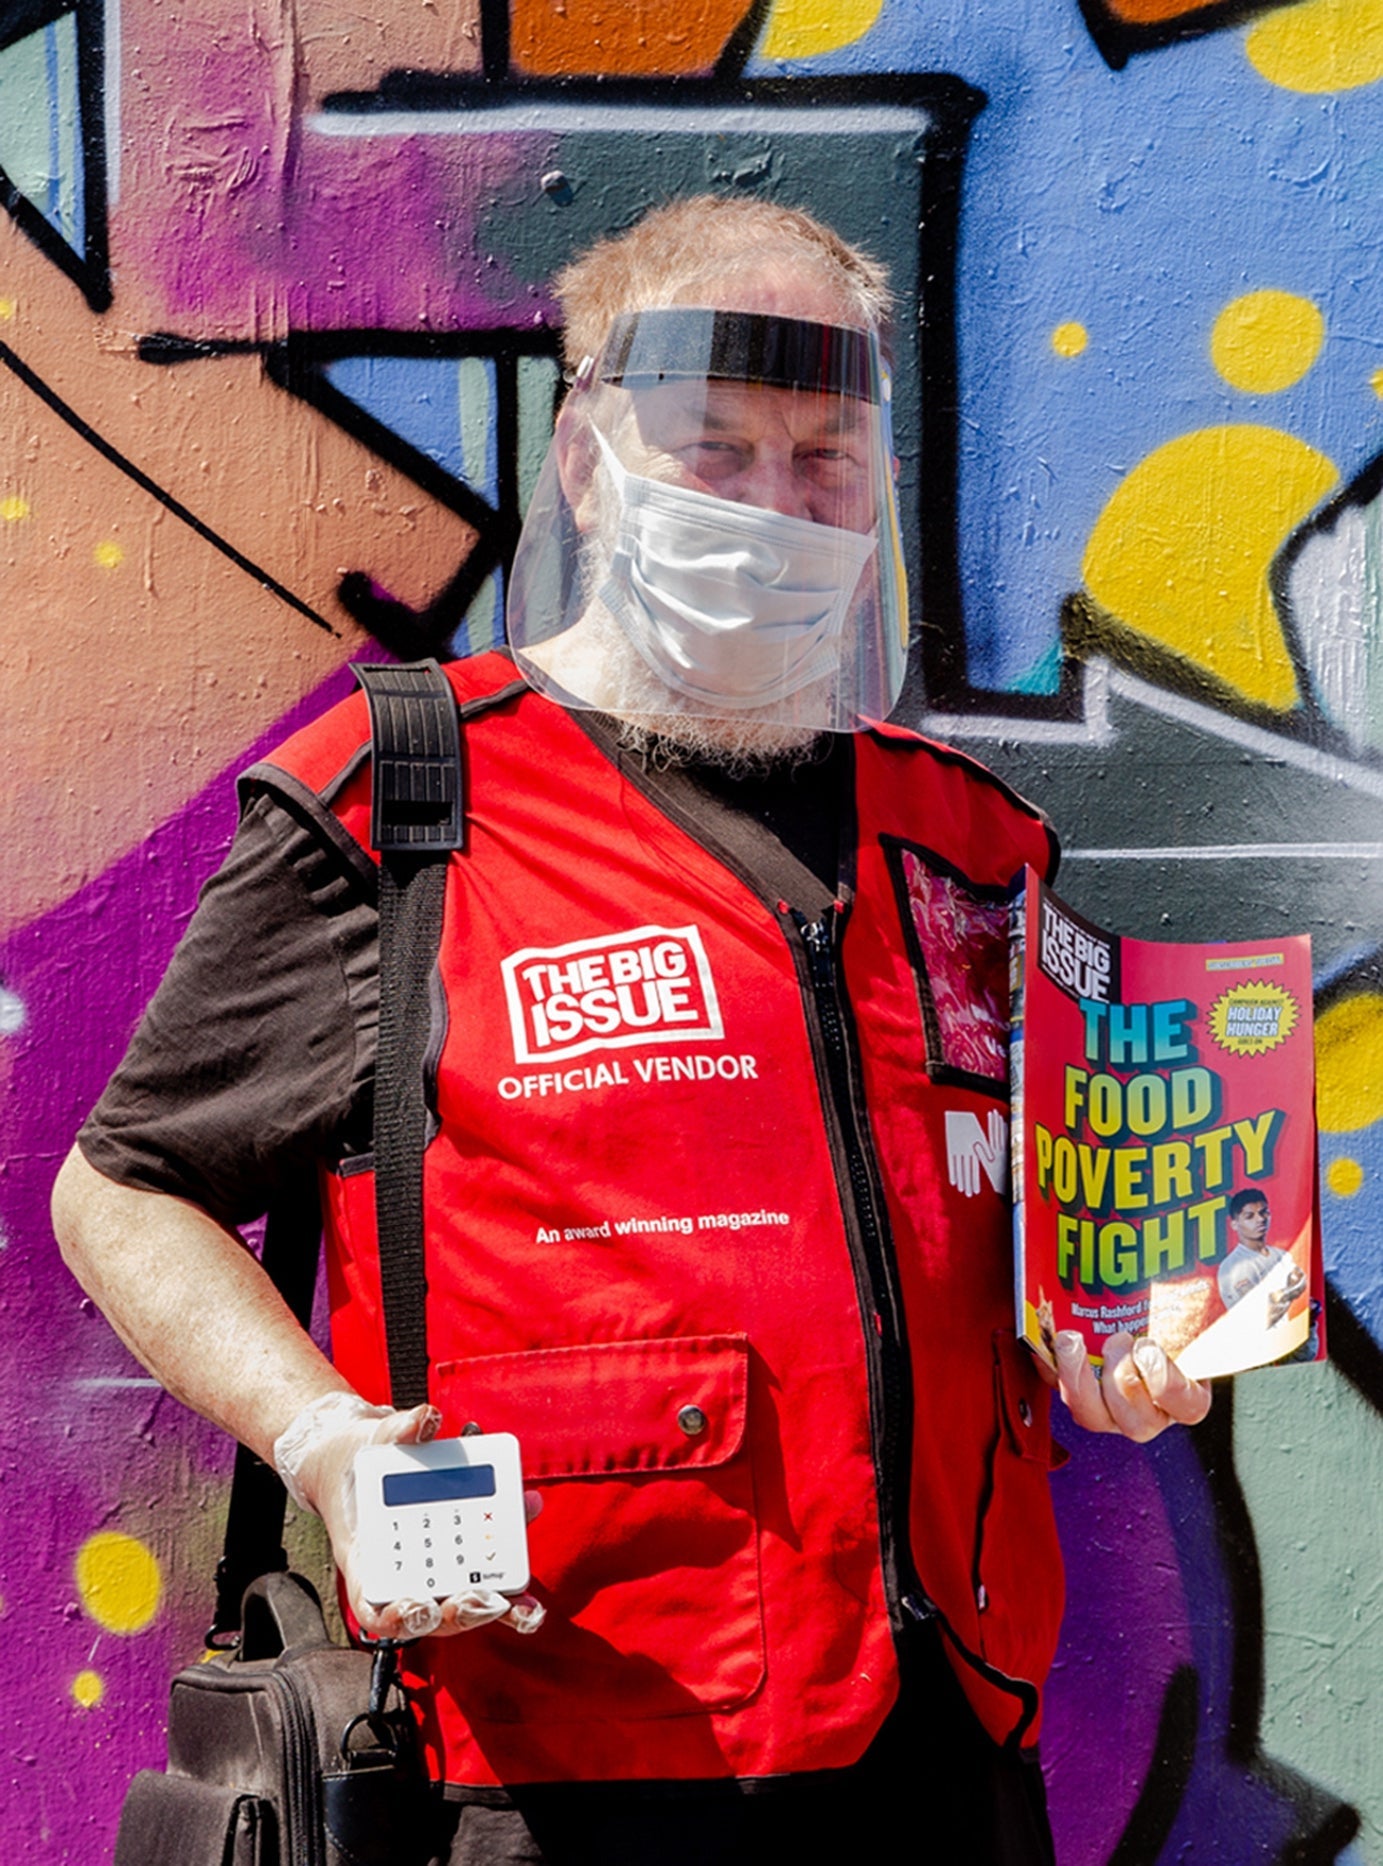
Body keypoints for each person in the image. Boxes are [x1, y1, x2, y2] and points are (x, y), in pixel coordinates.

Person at [53, 195, 1210, 1866]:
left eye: (824, 455)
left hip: (940, 1758)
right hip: (555, 1759)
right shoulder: (405, 804)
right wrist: (318, 1440)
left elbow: (991, 1223)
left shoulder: (964, 843)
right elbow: (125, 1183)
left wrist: (1096, 1338)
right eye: (714, 445)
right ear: (592, 465)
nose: (774, 501)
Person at [1218, 1189, 1307, 1326]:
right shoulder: (1234, 1267)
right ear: (1234, 1224)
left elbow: (1301, 1284)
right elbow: (1257, 1318)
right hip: (1257, 1345)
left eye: (1263, 1212)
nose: (1260, 1219)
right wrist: (1290, 1292)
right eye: (1249, 1216)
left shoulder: (1283, 1256)